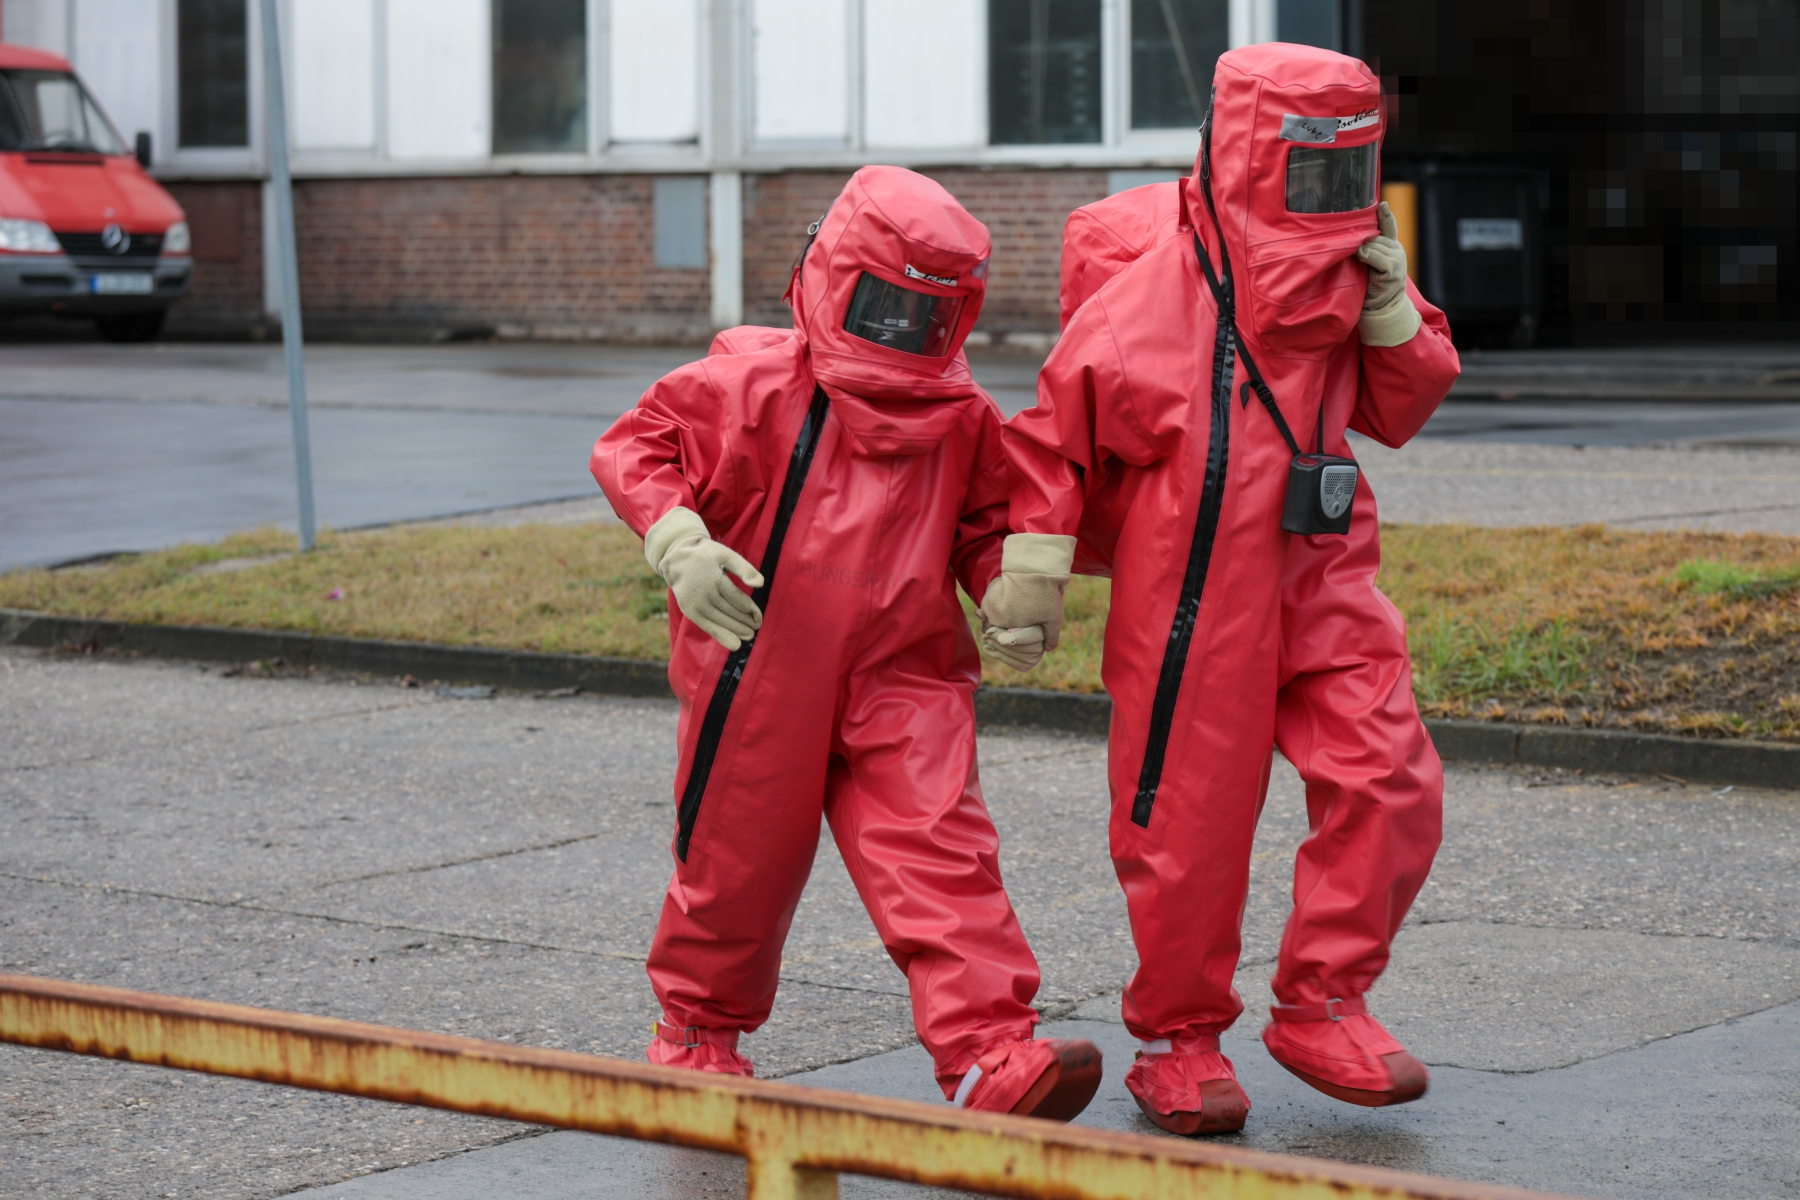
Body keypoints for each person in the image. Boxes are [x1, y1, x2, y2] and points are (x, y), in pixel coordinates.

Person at [982, 44, 1460, 1135]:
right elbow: (1051, 441)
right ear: (1254, 157)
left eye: (1352, 171)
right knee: (1187, 824)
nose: (1334, 199)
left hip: (1325, 571)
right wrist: (1032, 577)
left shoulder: (1352, 274)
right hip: (1192, 592)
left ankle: (1324, 1001)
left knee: (1391, 778)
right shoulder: (1147, 304)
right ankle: (1178, 1040)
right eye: (1314, 170)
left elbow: (1402, 406)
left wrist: (1394, 310)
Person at [590, 165, 1101, 1121]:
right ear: (835, 277)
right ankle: (697, 1036)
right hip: (760, 664)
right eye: (887, 306)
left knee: (941, 848)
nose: (903, 331)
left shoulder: (959, 418)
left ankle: (988, 1051)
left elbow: (985, 523)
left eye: (925, 315)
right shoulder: (749, 386)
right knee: (734, 862)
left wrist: (1008, 586)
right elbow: (637, 445)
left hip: (905, 671)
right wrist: (680, 543)